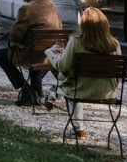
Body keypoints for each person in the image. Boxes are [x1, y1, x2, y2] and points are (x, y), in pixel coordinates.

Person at [46, 7, 122, 138]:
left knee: (68, 81)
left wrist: (48, 52)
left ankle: (79, 128)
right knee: (70, 79)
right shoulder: (114, 44)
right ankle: (53, 94)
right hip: (108, 92)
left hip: (80, 90)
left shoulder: (76, 41)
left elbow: (62, 66)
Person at [0, 0, 63, 107]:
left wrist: (12, 42)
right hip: (50, 55)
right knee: (36, 52)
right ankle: (36, 95)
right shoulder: (52, 5)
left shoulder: (27, 8)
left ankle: (27, 90)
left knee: (0, 54)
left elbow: (15, 36)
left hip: (31, 54)